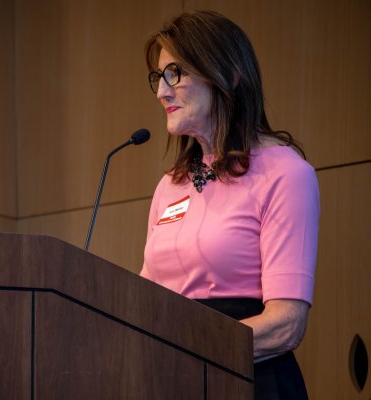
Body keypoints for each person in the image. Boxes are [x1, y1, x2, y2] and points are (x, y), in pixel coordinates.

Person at [139, 10, 319, 399]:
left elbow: (287, 324)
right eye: (159, 77)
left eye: (176, 74)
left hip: (250, 382)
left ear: (230, 75)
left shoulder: (285, 173)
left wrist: (190, 348)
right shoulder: (169, 186)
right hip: (174, 381)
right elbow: (143, 298)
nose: (161, 91)